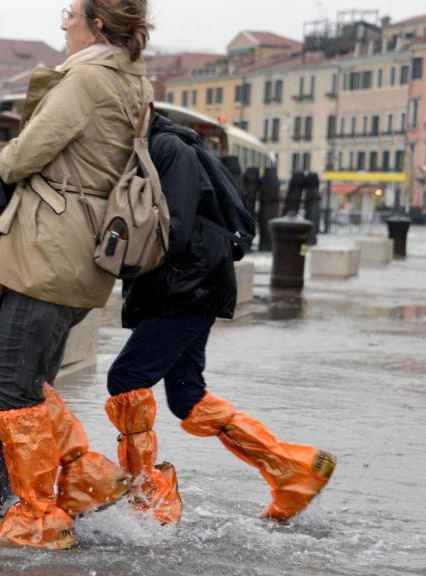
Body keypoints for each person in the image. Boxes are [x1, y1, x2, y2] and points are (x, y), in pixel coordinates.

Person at [105, 111, 337, 524]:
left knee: (126, 379)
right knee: (187, 396)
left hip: (186, 283)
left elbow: (172, 227)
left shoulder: (168, 148)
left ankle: (149, 499)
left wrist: (115, 261)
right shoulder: (162, 146)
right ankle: (293, 469)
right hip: (192, 280)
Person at [0, 0, 155, 550]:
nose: (63, 23)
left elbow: (23, 155)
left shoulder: (86, 82)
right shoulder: (135, 84)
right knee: (31, 379)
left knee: (10, 382)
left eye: (71, 13)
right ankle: (84, 477)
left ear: (97, 23)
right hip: (86, 251)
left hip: (49, 249)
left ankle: (37, 513)